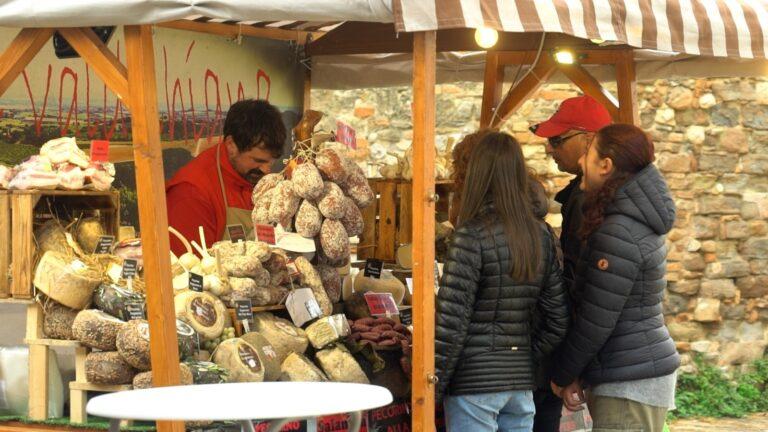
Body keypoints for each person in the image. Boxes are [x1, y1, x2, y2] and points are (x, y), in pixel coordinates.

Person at [435, 131, 570, 432]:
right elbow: (558, 320)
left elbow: (451, 324)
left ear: (476, 173)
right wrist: (519, 357)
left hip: (473, 385)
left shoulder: (470, 235)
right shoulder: (542, 235)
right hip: (519, 386)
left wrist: (432, 385)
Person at [550, 124, 680, 432]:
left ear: (605, 166)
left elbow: (597, 320)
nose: (581, 163)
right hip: (629, 374)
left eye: (588, 155)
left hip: (630, 384)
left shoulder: (618, 231)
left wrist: (563, 373)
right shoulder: (627, 220)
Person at [528, 95, 612, 430]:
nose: (550, 148)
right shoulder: (588, 192)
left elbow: (583, 284)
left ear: (589, 139)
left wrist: (569, 365)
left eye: (557, 140)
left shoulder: (586, 198)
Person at [166, 99, 286, 255]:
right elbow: (192, 272)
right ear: (231, 145)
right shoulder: (192, 192)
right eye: (258, 161)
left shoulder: (253, 175)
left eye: (271, 162)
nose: (266, 170)